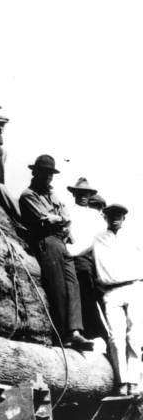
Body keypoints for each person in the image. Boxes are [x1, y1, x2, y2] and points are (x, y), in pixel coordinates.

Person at [19, 155, 94, 351]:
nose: (48, 178)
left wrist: (57, 218)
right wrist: (58, 219)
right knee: (58, 286)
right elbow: (45, 219)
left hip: (61, 242)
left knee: (73, 283)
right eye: (44, 173)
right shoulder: (28, 195)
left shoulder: (52, 195)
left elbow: (66, 218)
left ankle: (76, 331)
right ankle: (63, 334)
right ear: (35, 172)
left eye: (50, 174)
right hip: (46, 242)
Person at [93, 204, 143, 395]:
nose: (115, 218)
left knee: (135, 336)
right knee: (115, 338)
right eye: (111, 215)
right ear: (105, 218)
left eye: (119, 215)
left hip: (134, 287)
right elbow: (77, 251)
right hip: (111, 291)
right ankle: (122, 381)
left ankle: (134, 381)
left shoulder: (133, 237)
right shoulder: (98, 238)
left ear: (124, 218)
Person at [65, 177, 105, 338]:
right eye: (80, 193)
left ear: (90, 196)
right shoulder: (67, 211)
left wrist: (75, 250)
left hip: (91, 255)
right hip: (75, 257)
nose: (83, 196)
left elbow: (97, 238)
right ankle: (92, 332)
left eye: (86, 194)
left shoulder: (95, 215)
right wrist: (71, 249)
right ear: (74, 194)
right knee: (82, 284)